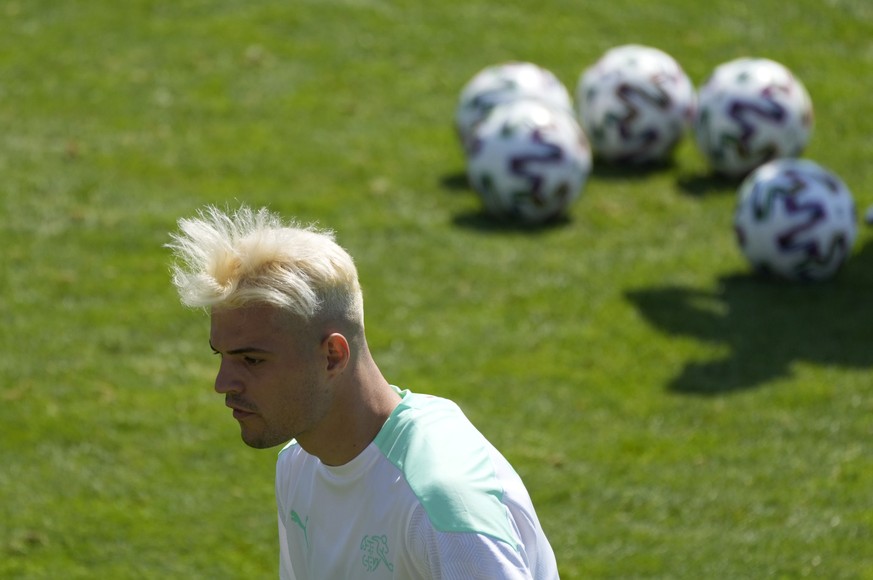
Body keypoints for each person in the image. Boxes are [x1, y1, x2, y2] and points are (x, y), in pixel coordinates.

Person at [167, 204, 559, 579]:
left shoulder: (440, 503)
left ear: (333, 356)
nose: (223, 383)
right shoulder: (299, 466)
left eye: (251, 360)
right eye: (222, 355)